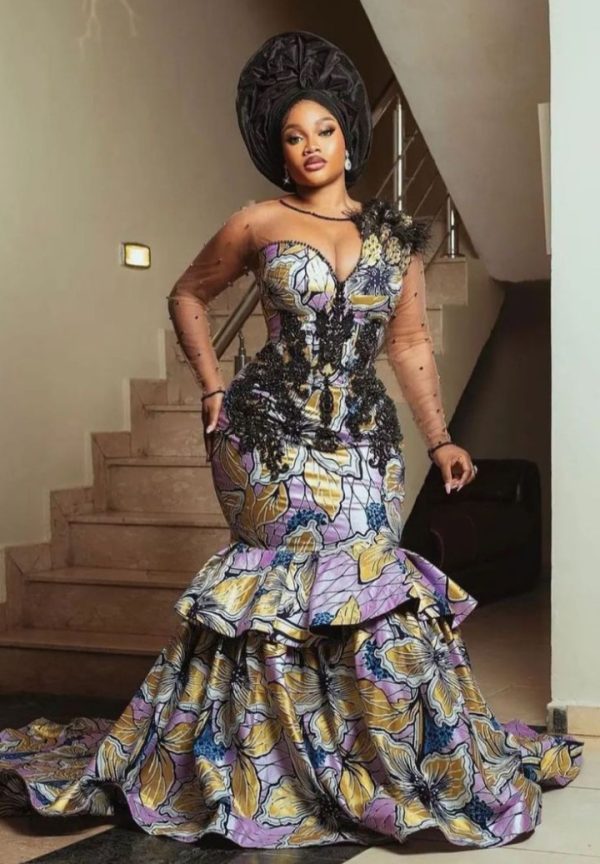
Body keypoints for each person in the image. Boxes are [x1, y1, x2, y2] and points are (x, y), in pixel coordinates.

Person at [0, 29, 583, 850]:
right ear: (280, 151)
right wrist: (212, 387)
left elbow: (410, 343)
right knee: (275, 597)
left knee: (368, 588)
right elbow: (186, 294)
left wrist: (442, 439)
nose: (310, 146)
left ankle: (366, 757)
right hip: (268, 437)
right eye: (293, 136)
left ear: (350, 138)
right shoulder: (257, 221)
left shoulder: (398, 238)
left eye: (325, 130)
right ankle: (262, 767)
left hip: (363, 440)